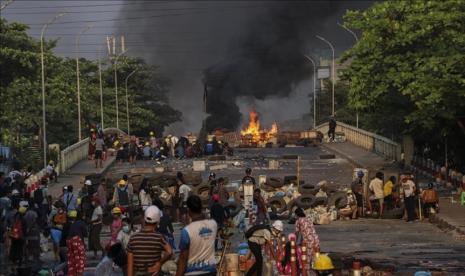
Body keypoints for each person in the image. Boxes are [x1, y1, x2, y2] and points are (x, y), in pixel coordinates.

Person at [176, 195, 217, 276]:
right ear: (201, 208)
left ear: (189, 210)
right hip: (211, 271)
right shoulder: (213, 224)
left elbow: (183, 258)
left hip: (192, 273)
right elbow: (205, 217)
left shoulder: (187, 230)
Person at [127, 205, 173, 275]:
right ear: (158, 221)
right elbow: (169, 252)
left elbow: (130, 265)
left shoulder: (133, 238)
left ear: (144, 220)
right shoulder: (159, 237)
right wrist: (159, 263)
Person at [66, 210, 88, 276]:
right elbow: (85, 234)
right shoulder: (82, 223)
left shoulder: (73, 224)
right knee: (80, 259)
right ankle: (79, 274)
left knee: (72, 259)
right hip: (77, 242)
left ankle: (72, 274)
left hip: (69, 241)